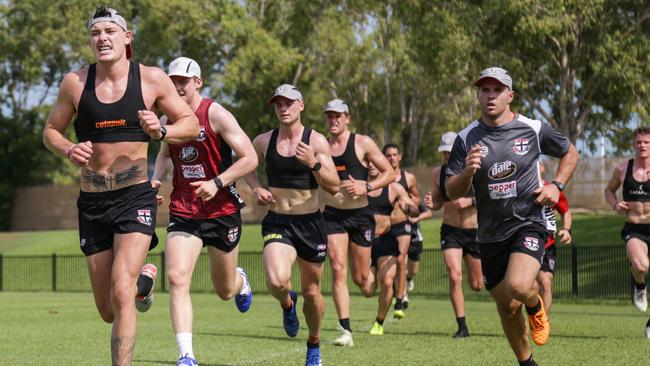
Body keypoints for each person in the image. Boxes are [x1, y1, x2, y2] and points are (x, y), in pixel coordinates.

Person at [42, 7, 199, 366]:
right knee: (108, 309)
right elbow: (51, 131)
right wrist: (69, 148)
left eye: (110, 31)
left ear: (127, 38)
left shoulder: (151, 80)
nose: (102, 38)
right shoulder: (75, 83)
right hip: (93, 202)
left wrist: (161, 131)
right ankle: (145, 282)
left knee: (121, 290)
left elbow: (189, 124)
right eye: (96, 32)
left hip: (135, 197)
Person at [445, 67, 579, 365]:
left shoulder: (532, 128)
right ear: (478, 95)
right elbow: (451, 192)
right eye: (484, 90)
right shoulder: (466, 138)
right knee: (507, 308)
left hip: (528, 222)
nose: (490, 96)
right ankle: (526, 362)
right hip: (491, 233)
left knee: (520, 286)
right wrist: (468, 171)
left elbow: (571, 153)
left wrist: (556, 187)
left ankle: (535, 305)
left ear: (510, 95)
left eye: (497, 90)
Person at [151, 57, 257, 366]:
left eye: (183, 81)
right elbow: (163, 155)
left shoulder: (215, 114)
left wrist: (218, 182)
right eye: (173, 81)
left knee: (224, 290)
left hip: (221, 210)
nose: (177, 86)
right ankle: (186, 355)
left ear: (198, 82)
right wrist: (155, 181)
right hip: (184, 210)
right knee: (177, 277)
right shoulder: (167, 119)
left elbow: (249, 157)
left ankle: (240, 281)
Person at [245, 84, 340, 366]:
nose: (283, 108)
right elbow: (247, 164)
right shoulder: (264, 141)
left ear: (301, 105)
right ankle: (288, 303)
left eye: (289, 103)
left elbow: (334, 187)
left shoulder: (317, 141)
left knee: (312, 293)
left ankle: (314, 344)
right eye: (278, 104)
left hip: (311, 224)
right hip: (278, 221)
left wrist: (315, 164)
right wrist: (257, 188)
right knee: (276, 281)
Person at [321, 98, 394, 347]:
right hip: (332, 215)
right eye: (329, 116)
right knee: (338, 268)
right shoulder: (320, 144)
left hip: (360, 216)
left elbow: (390, 173)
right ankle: (345, 330)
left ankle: (380, 282)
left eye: (338, 116)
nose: (333, 120)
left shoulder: (362, 143)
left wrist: (367, 185)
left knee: (362, 280)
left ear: (347, 118)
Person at [425, 131, 482, 338]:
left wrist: (470, 201)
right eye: (444, 153)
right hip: (450, 230)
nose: (447, 156)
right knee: (454, 275)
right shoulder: (437, 173)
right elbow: (439, 201)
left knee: (477, 285)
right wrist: (433, 204)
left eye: (450, 152)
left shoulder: (474, 171)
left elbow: (490, 198)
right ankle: (462, 326)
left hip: (474, 230)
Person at [604, 126, 650, 338]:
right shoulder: (623, 168)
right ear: (634, 144)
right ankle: (639, 286)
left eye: (646, 142)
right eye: (639, 142)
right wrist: (615, 205)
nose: (642, 145)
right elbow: (609, 190)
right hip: (634, 227)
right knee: (640, 266)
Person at [366, 162, 420, 335]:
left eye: (375, 162)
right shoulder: (358, 186)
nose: (371, 165)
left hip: (385, 240)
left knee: (387, 281)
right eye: (368, 162)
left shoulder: (394, 188)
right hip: (364, 242)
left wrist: (409, 208)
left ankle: (379, 322)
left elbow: (414, 210)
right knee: (366, 289)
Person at [382, 144, 420, 318]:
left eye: (394, 155)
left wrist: (410, 205)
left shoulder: (408, 177)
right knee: (389, 265)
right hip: (385, 226)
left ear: (400, 156)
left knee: (401, 258)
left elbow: (416, 197)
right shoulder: (380, 177)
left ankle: (400, 298)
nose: (391, 158)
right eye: (388, 155)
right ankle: (396, 290)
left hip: (402, 223)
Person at [537, 162, 572, 314]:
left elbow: (565, 211)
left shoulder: (551, 189)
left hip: (547, 244)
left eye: (535, 164)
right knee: (526, 286)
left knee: (545, 282)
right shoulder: (519, 188)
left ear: (542, 167)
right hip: (523, 244)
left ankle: (543, 323)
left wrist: (566, 229)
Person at [401, 201, 432, 310]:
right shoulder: (396, 198)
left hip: (415, 239)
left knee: (413, 270)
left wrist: (416, 218)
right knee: (401, 266)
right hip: (399, 236)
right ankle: (403, 297)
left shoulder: (415, 200)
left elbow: (429, 213)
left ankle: (409, 279)